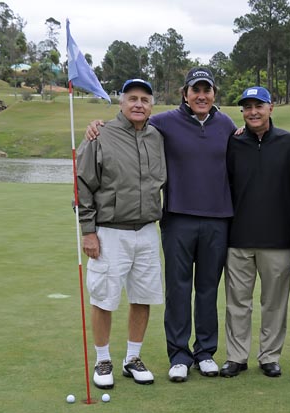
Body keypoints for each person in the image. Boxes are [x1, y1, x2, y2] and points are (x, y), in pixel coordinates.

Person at [85, 68, 236, 382]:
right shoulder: (161, 123)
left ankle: (204, 352)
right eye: (195, 90)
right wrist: (96, 126)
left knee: (206, 290)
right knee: (176, 290)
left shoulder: (225, 125)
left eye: (207, 90)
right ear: (185, 93)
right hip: (174, 219)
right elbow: (89, 178)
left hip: (214, 220)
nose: (201, 95)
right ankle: (178, 355)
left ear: (214, 94)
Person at [76, 78, 166, 389]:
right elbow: (82, 186)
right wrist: (88, 231)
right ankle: (103, 360)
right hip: (110, 232)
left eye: (144, 99)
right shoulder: (100, 135)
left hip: (147, 230)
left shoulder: (157, 136)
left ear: (151, 105)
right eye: (132, 99)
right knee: (104, 298)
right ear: (121, 103)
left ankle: (132, 359)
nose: (139, 104)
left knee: (143, 296)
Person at [220, 87, 290, 378]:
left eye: (259, 106)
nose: (253, 111)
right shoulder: (233, 143)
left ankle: (269, 356)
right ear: (242, 112)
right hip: (238, 238)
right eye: (247, 107)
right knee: (237, 303)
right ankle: (236, 356)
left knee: (274, 303)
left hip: (279, 240)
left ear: (271, 108)